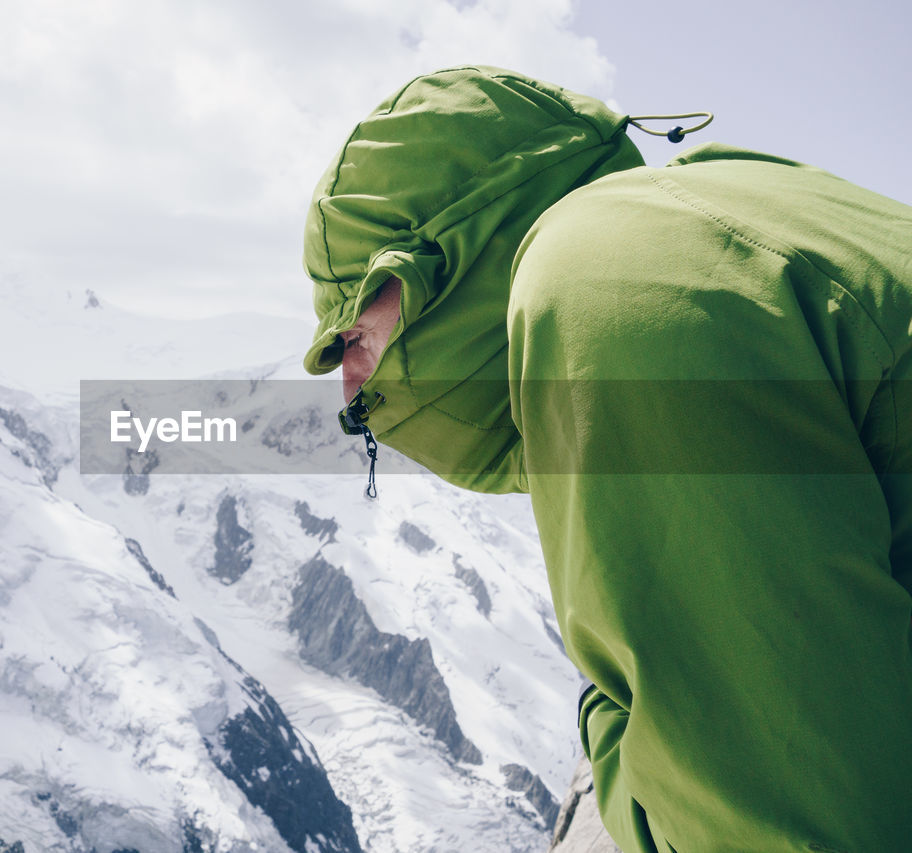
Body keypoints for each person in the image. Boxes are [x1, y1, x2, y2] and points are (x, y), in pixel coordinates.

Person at [302, 65, 912, 852]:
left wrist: (611, 732)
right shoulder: (725, 199)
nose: (351, 387)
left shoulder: (605, 280)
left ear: (430, 264)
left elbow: (802, 820)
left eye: (352, 335)